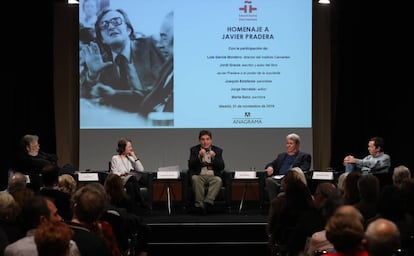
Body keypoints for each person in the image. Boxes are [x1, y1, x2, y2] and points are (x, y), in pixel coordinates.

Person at [80, 8, 165, 113]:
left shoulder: (152, 45)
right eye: (104, 25)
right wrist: (92, 74)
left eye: (116, 22)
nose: (111, 27)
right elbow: (83, 98)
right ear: (102, 39)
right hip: (121, 122)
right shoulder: (99, 61)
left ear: (128, 30)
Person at [4, 195, 80, 256]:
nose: (60, 218)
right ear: (43, 220)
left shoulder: (12, 251)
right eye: (55, 214)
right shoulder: (68, 246)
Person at [139, 11, 174, 118]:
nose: (159, 45)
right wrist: (113, 94)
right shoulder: (170, 64)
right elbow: (153, 93)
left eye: (164, 37)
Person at [264, 133, 312, 201]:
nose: (288, 146)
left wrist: (291, 174)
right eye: (287, 143)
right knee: (269, 180)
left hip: (292, 180)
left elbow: (304, 168)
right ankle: (275, 204)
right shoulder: (282, 156)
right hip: (278, 179)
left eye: (291, 143)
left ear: (297, 145)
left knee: (285, 184)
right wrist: (270, 167)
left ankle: (283, 204)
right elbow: (271, 164)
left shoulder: (304, 156)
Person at [188, 130, 225, 214]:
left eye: (207, 139)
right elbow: (190, 165)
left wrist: (214, 158)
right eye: (203, 139)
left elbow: (221, 166)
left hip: (212, 175)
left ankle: (207, 203)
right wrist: (199, 156)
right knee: (194, 179)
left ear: (211, 140)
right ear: (199, 140)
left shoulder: (218, 150)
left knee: (218, 180)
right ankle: (199, 204)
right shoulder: (194, 150)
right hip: (199, 175)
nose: (205, 142)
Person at [110, 138, 150, 212]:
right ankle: (141, 201)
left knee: (130, 184)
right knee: (132, 178)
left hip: (129, 181)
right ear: (123, 148)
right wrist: (122, 173)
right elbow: (114, 173)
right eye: (129, 147)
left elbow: (141, 169)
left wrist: (134, 156)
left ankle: (132, 209)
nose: (131, 148)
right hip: (120, 180)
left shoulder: (130, 158)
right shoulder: (115, 158)